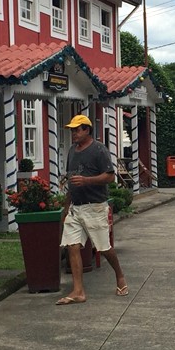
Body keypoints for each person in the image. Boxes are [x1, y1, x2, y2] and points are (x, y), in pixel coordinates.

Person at [56, 114, 127, 305]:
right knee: (72, 246)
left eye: (77, 129)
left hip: (95, 207)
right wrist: (65, 208)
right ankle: (78, 291)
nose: (74, 133)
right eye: (72, 130)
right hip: (75, 208)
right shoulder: (72, 151)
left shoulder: (98, 149)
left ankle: (119, 275)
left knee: (103, 248)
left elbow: (110, 177)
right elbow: (71, 181)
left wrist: (87, 180)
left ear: (87, 130)